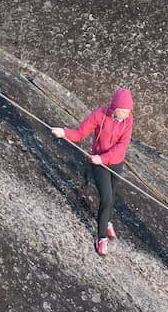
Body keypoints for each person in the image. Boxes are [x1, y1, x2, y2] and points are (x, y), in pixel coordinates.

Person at [51, 88, 134, 255]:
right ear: (114, 107)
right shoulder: (99, 114)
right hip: (98, 163)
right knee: (107, 197)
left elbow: (121, 147)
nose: (126, 114)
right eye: (123, 111)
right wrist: (64, 132)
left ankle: (107, 221)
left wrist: (104, 158)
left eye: (128, 111)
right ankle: (101, 237)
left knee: (112, 196)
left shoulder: (128, 121)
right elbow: (80, 134)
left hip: (115, 163)